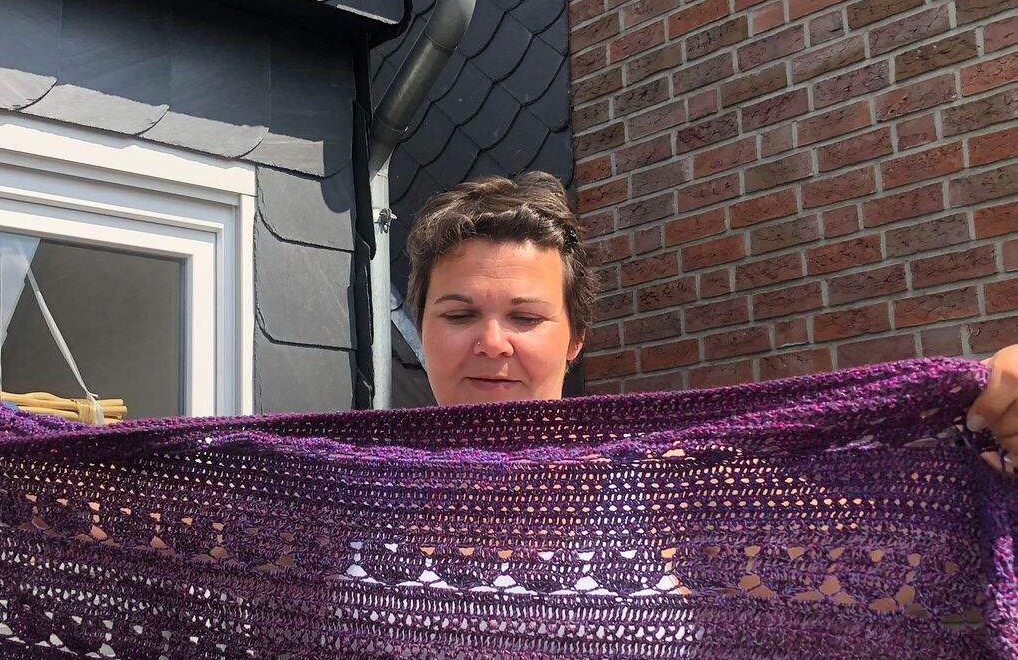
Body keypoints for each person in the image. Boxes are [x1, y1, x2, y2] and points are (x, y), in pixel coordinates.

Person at [405, 171, 1018, 474]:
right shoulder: (350, 496)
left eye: (526, 317)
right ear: (422, 328)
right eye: (459, 314)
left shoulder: (677, 481)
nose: (492, 343)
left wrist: (995, 445)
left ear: (576, 340)